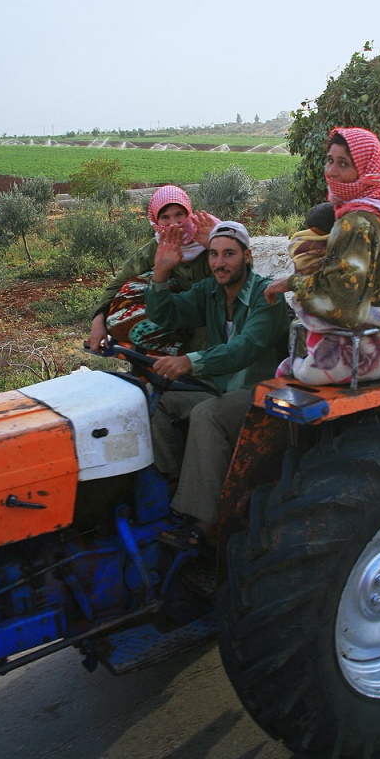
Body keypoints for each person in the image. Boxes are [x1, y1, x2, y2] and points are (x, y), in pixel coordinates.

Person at [146, 220, 291, 550]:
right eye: (213, 255)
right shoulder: (209, 291)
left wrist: (189, 361)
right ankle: (173, 486)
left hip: (262, 392)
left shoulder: (266, 295)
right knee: (159, 398)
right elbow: (164, 315)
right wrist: (160, 273)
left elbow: (245, 348)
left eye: (229, 254)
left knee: (208, 414)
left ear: (247, 256)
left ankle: (207, 524)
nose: (219, 263)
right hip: (221, 385)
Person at [265, 127, 380, 385]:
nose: (331, 171)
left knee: (295, 369)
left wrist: (291, 283)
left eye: (343, 164)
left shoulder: (355, 222)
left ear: (366, 170)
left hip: (361, 346)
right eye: (330, 160)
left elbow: (341, 304)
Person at [87, 185, 216, 353]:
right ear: (156, 221)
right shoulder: (156, 247)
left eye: (179, 214)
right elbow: (119, 282)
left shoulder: (210, 235)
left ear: (188, 213)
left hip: (218, 315)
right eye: (165, 217)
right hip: (181, 316)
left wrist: (214, 246)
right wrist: (98, 320)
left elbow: (241, 273)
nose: (173, 223)